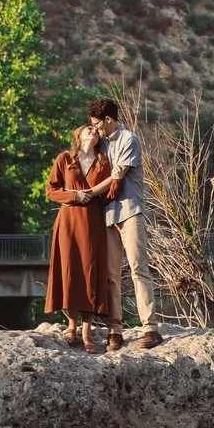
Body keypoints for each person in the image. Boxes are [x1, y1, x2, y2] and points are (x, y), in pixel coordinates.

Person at [87, 98, 157, 342]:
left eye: (96, 124)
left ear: (108, 119)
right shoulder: (102, 144)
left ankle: (149, 327)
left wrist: (89, 194)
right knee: (110, 274)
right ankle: (114, 330)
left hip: (129, 211)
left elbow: (116, 181)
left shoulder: (129, 140)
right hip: (108, 215)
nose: (94, 128)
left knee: (139, 269)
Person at [44, 122, 118, 349]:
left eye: (96, 130)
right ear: (79, 135)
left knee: (90, 271)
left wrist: (99, 193)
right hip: (68, 222)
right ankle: (71, 326)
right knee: (70, 270)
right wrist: (75, 195)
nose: (94, 131)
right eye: (89, 129)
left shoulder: (103, 162)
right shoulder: (65, 159)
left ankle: (86, 333)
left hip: (93, 222)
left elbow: (110, 191)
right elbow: (51, 190)